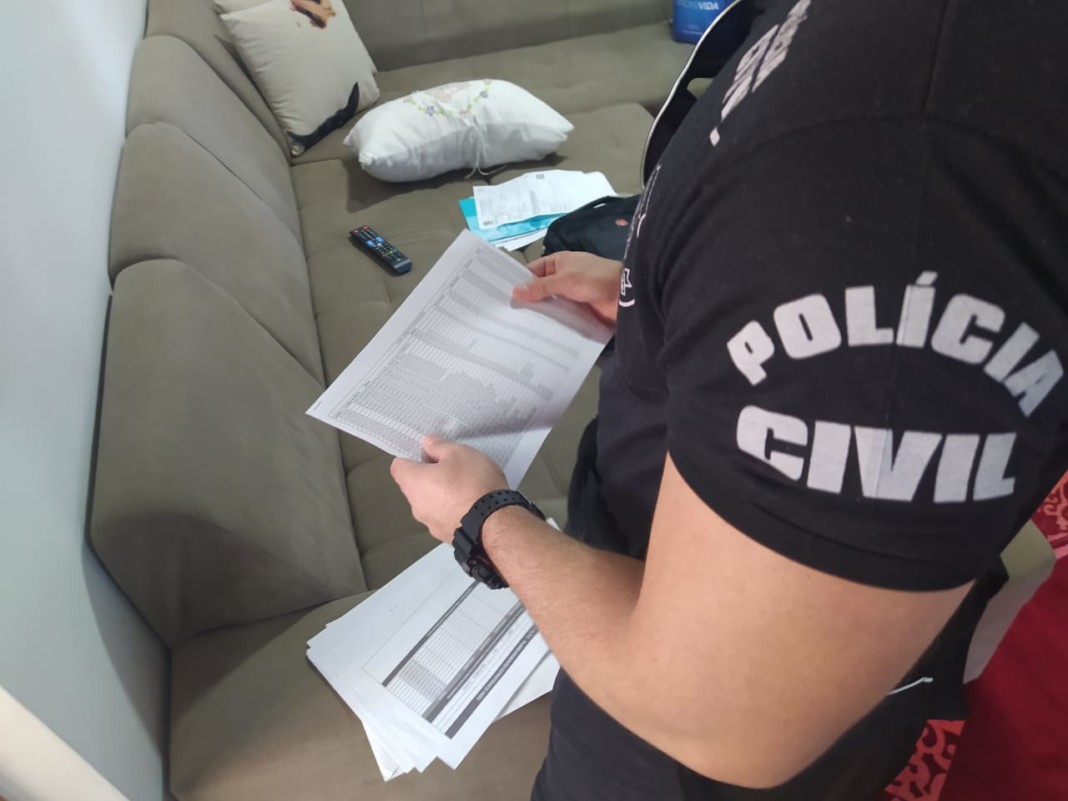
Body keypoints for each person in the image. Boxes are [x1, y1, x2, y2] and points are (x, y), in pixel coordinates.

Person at [390, 0, 1068, 797]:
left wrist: (485, 521)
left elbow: (722, 718)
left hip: (676, 748)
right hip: (656, 558)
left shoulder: (904, 166)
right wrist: (670, 301)